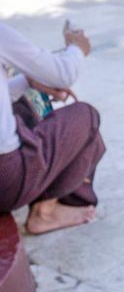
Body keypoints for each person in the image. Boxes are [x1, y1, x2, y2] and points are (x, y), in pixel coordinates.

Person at [0, 21, 105, 234]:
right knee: (85, 116)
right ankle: (46, 212)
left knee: (28, 101)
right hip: (6, 184)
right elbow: (62, 73)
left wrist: (29, 82)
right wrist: (77, 47)